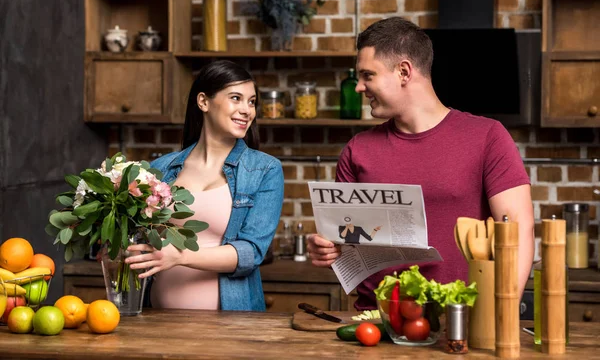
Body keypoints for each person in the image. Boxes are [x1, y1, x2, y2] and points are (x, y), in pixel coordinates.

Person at [307, 17, 534, 310]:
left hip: (459, 320)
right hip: (376, 323)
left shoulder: (487, 136)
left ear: (403, 71)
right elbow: (349, 244)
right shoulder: (357, 150)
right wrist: (328, 251)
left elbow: (517, 228)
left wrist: (499, 315)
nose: (359, 87)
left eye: (367, 75)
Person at [125, 60, 284, 311]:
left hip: (230, 327)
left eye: (252, 102)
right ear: (203, 102)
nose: (247, 110)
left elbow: (251, 252)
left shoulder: (264, 170)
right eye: (236, 98)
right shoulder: (162, 168)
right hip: (156, 319)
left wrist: (181, 256)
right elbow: (139, 236)